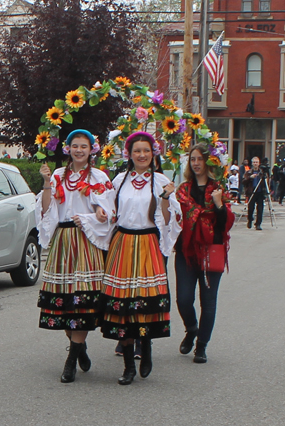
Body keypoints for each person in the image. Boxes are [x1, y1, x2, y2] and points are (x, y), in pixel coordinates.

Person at [101, 132, 182, 385]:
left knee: (144, 302)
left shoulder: (161, 182)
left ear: (153, 153)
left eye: (146, 150)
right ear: (129, 154)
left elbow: (168, 221)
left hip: (148, 243)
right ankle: (128, 366)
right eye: (137, 151)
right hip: (123, 243)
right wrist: (101, 214)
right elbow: (109, 211)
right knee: (123, 304)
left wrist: (167, 199)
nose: (142, 155)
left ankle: (145, 347)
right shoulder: (119, 180)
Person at [37, 129, 115, 383]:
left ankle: (71, 360)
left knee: (82, 301)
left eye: (84, 146)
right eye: (75, 146)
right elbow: (48, 208)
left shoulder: (98, 176)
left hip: (84, 238)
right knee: (63, 301)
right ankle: (79, 348)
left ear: (91, 149)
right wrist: (47, 182)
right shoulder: (59, 175)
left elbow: (106, 207)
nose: (79, 150)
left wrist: (100, 214)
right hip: (63, 240)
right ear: (67, 148)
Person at [175, 143, 235, 364]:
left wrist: (219, 205)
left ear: (208, 162)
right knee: (183, 299)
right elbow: (177, 217)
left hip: (211, 250)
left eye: (200, 159)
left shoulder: (219, 189)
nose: (196, 163)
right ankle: (191, 329)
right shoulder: (183, 190)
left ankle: (201, 345)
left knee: (208, 302)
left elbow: (225, 224)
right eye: (193, 159)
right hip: (187, 250)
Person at [243, 156, 268, 230]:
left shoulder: (262, 172)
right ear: (252, 163)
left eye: (257, 162)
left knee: (260, 209)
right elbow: (243, 182)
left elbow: (266, 182)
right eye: (254, 162)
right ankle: (250, 219)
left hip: (260, 192)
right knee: (250, 208)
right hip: (251, 192)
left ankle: (258, 224)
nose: (255, 164)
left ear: (259, 163)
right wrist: (250, 177)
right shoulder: (248, 172)